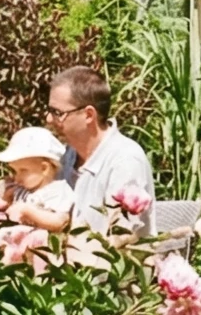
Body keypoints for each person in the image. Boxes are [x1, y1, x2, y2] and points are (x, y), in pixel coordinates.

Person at [44, 65, 152, 232]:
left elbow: (122, 238)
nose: (49, 119)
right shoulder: (67, 157)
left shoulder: (125, 161)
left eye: (57, 112)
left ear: (88, 115)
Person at [0, 127, 80, 233]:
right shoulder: (23, 190)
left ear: (44, 169)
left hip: (41, 244)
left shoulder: (57, 191)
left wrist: (29, 211)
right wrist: (8, 199)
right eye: (15, 171)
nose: (16, 177)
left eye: (23, 171)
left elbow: (60, 221)